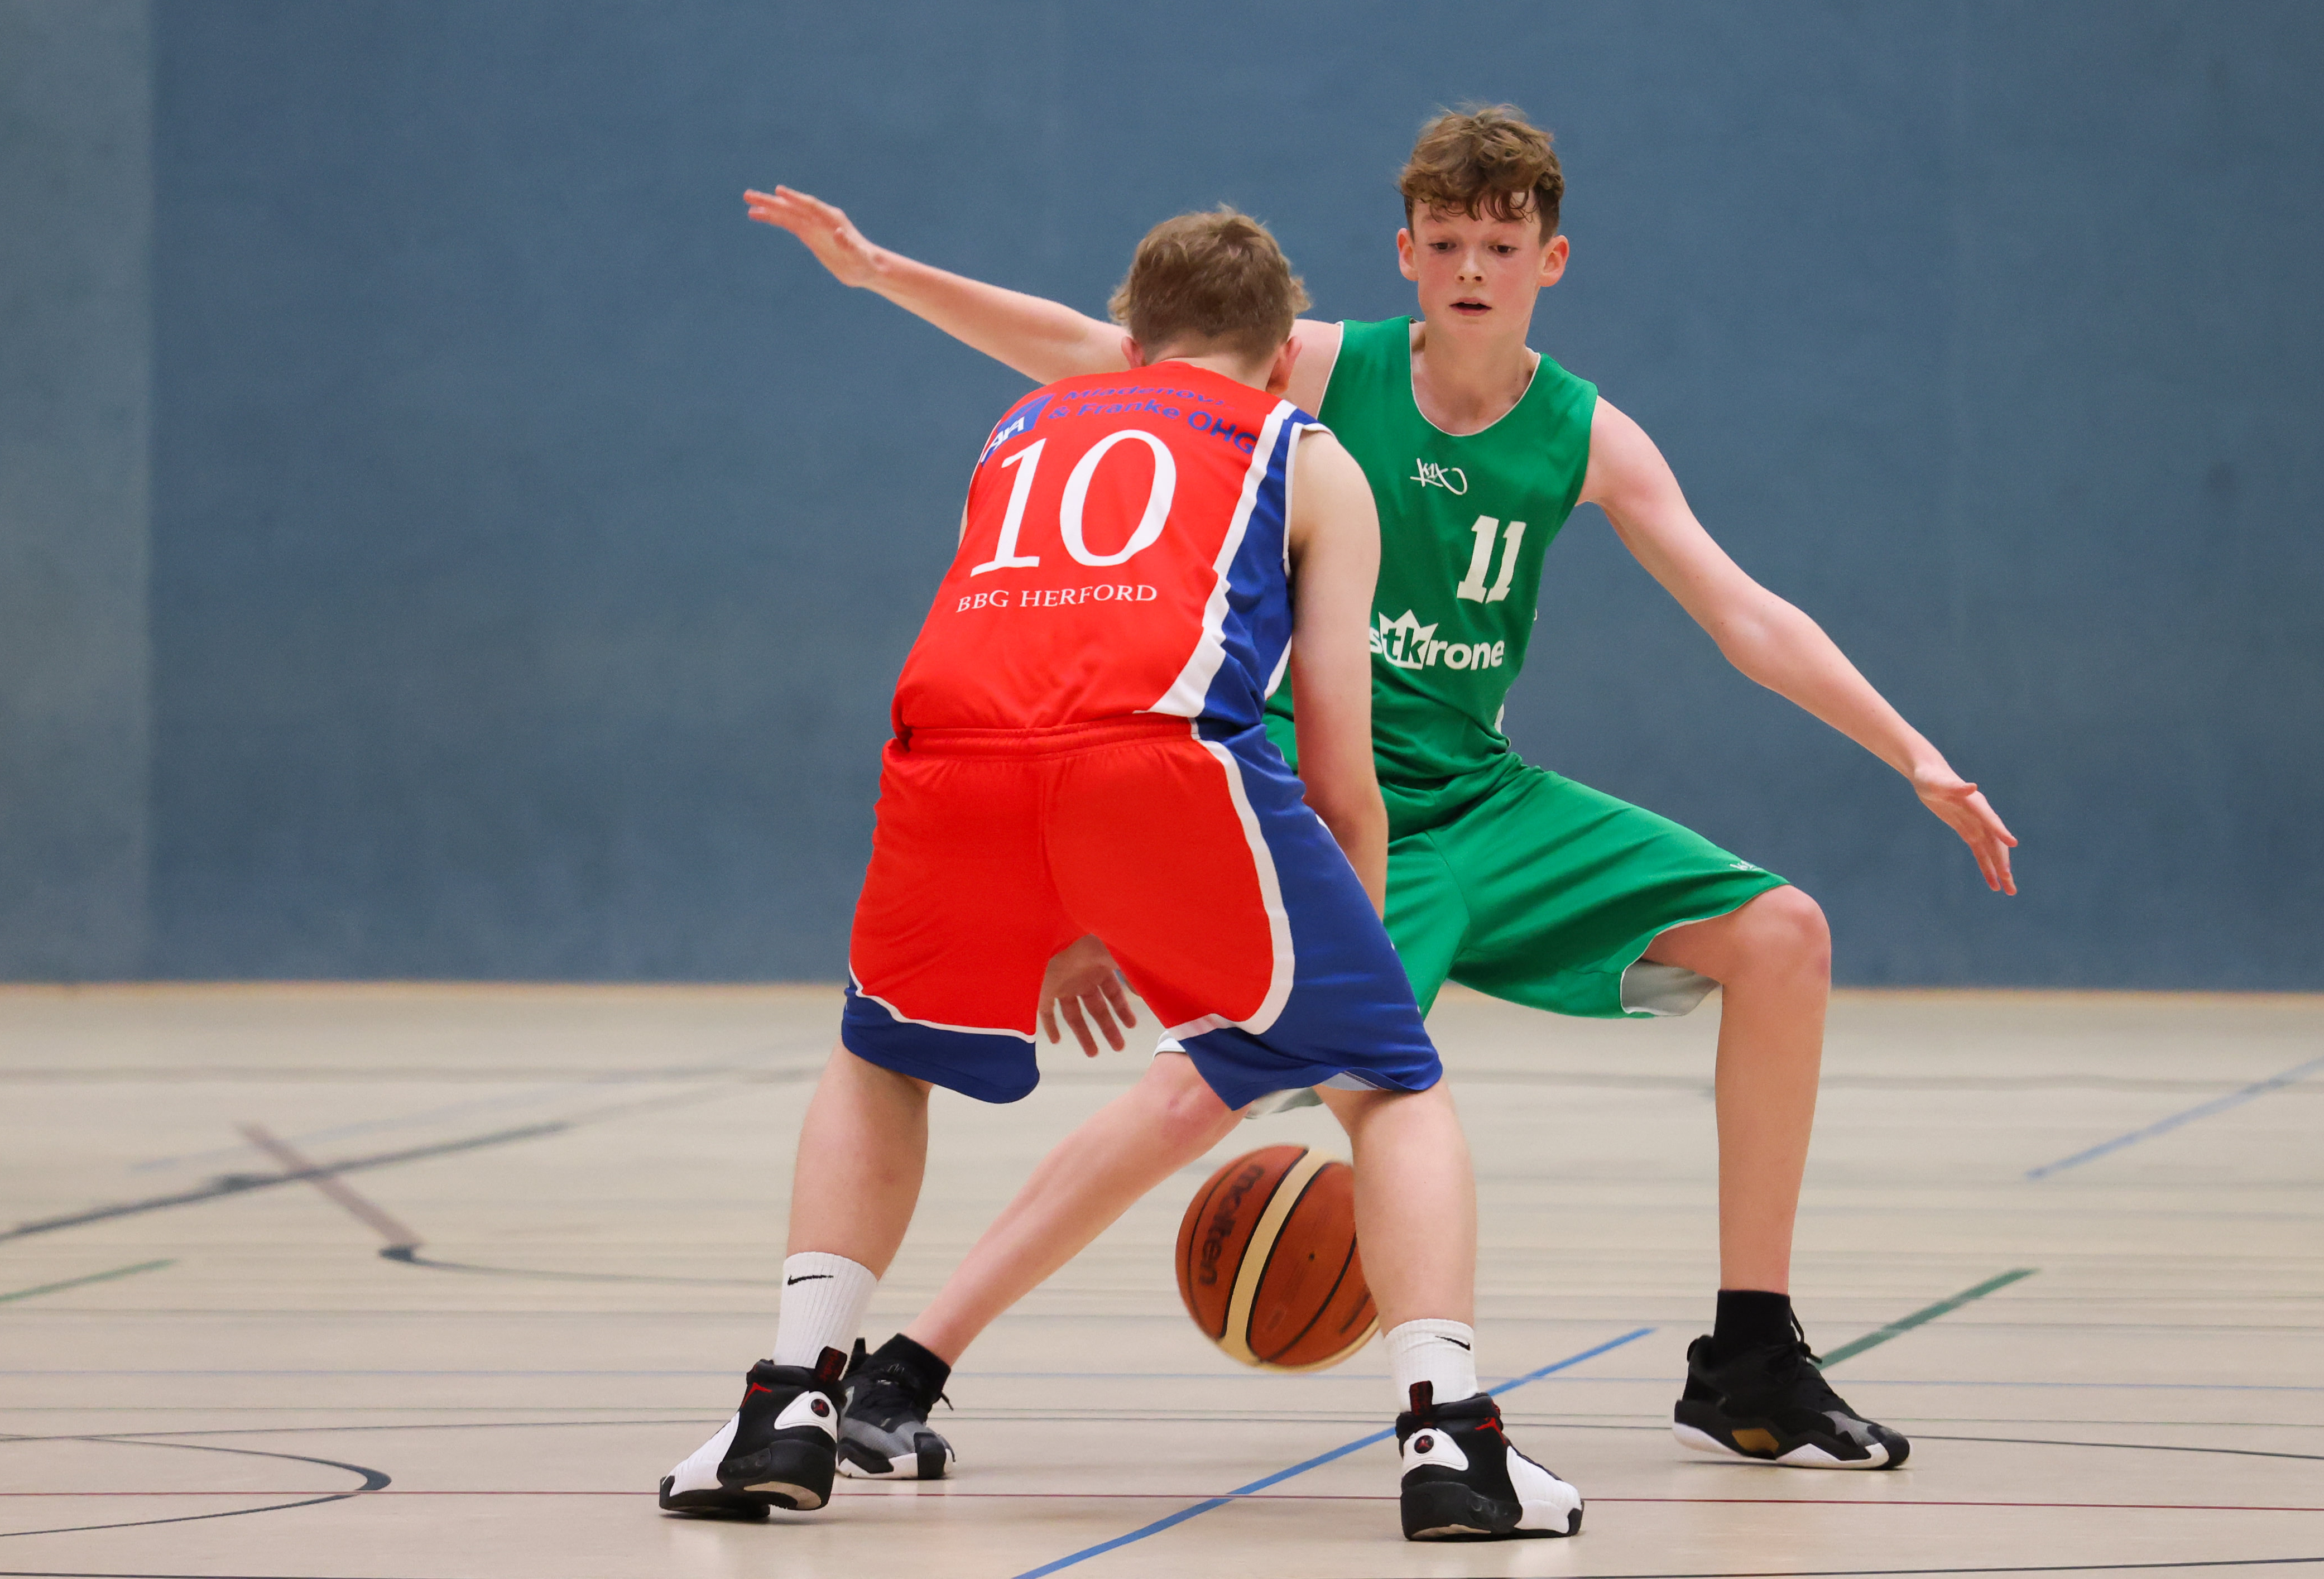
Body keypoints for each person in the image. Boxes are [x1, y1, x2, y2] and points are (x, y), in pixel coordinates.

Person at [744, 104, 2019, 1478]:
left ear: (1551, 261)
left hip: (1482, 797)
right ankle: (910, 1362)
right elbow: (1098, 353)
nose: (1472, 267)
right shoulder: (1312, 366)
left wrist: (1911, 749)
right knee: (1201, 1094)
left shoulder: (1588, 433)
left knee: (1783, 936)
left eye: (1501, 245)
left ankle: (1751, 1352)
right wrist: (883, 272)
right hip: (1320, 801)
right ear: (1405, 253)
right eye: (1447, 241)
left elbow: (1743, 611)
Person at [660, 208, 1584, 1542]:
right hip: (1165, 756)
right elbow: (1339, 769)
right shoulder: (1308, 452)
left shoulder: (1022, 429)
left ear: (1132, 340)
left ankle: (787, 1401)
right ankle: (1452, 1441)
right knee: (1393, 1085)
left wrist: (1057, 902)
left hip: (948, 758)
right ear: (1283, 356)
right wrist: (1363, 980)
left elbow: (1034, 676)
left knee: (879, 1054)